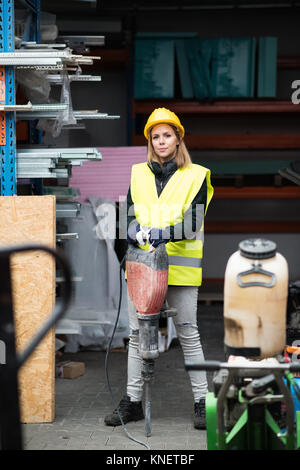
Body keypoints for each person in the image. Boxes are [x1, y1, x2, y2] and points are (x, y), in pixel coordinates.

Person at [104, 107, 214, 430]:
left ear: (178, 139)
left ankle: (202, 402)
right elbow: (126, 215)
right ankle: (132, 402)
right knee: (137, 336)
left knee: (188, 334)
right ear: (150, 142)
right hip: (142, 270)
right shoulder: (137, 173)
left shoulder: (196, 175)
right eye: (156, 136)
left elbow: (193, 222)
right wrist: (133, 229)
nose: (162, 141)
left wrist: (163, 234)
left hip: (179, 271)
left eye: (167, 135)